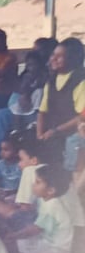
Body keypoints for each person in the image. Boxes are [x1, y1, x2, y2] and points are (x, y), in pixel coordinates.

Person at [5, 164, 74, 253]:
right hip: (48, 238)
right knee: (22, 239)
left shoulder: (52, 207)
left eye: (38, 182)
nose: (33, 184)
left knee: (16, 244)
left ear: (50, 190)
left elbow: (33, 230)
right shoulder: (46, 199)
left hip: (56, 249)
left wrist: (14, 236)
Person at [0, 50, 47, 162]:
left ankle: (19, 152)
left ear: (40, 65)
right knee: (1, 115)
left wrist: (28, 93)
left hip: (37, 112)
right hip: (22, 109)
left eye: (33, 65)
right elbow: (20, 89)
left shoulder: (45, 76)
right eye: (28, 65)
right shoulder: (26, 76)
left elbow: (40, 88)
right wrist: (24, 92)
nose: (30, 68)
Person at [36, 37, 85, 167]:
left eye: (59, 56)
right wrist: (39, 134)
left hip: (73, 132)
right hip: (52, 132)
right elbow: (42, 112)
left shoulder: (80, 80)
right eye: (53, 55)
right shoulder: (51, 81)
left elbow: (82, 116)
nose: (53, 59)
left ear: (72, 58)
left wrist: (56, 131)